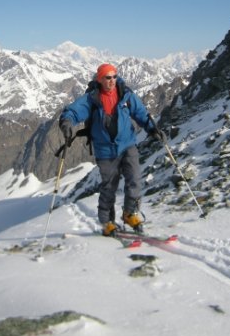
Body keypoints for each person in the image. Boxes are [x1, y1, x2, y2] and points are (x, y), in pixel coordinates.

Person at [59, 63, 163, 236]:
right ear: (99, 79)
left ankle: (130, 213)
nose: (112, 80)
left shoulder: (125, 94)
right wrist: (67, 122)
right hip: (105, 151)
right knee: (109, 187)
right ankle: (107, 222)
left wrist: (152, 128)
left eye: (114, 76)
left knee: (135, 179)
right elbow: (73, 112)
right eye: (108, 77)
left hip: (127, 144)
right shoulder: (92, 98)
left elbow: (141, 113)